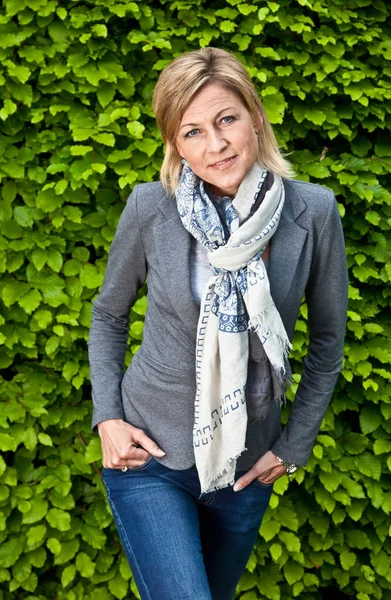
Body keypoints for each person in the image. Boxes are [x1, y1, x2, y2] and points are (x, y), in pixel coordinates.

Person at [88, 47, 348, 600]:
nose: (217, 145)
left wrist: (294, 445)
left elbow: (327, 341)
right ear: (175, 144)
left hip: (246, 465)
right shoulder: (149, 208)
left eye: (227, 119)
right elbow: (109, 314)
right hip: (150, 458)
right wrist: (108, 418)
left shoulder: (314, 212)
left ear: (254, 116)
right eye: (193, 132)